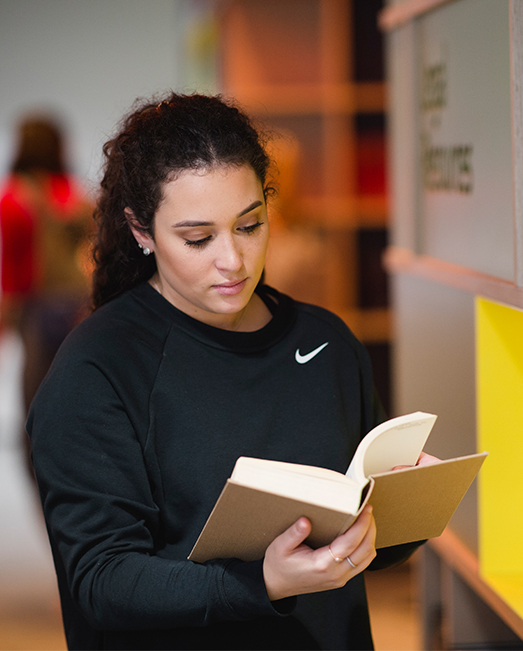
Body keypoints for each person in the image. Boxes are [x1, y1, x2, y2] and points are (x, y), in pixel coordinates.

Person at [27, 93, 430, 651]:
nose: (233, 262)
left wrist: (406, 508)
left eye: (249, 226)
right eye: (198, 239)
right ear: (141, 231)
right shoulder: (97, 367)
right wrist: (261, 582)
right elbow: (102, 581)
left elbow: (363, 539)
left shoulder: (326, 342)